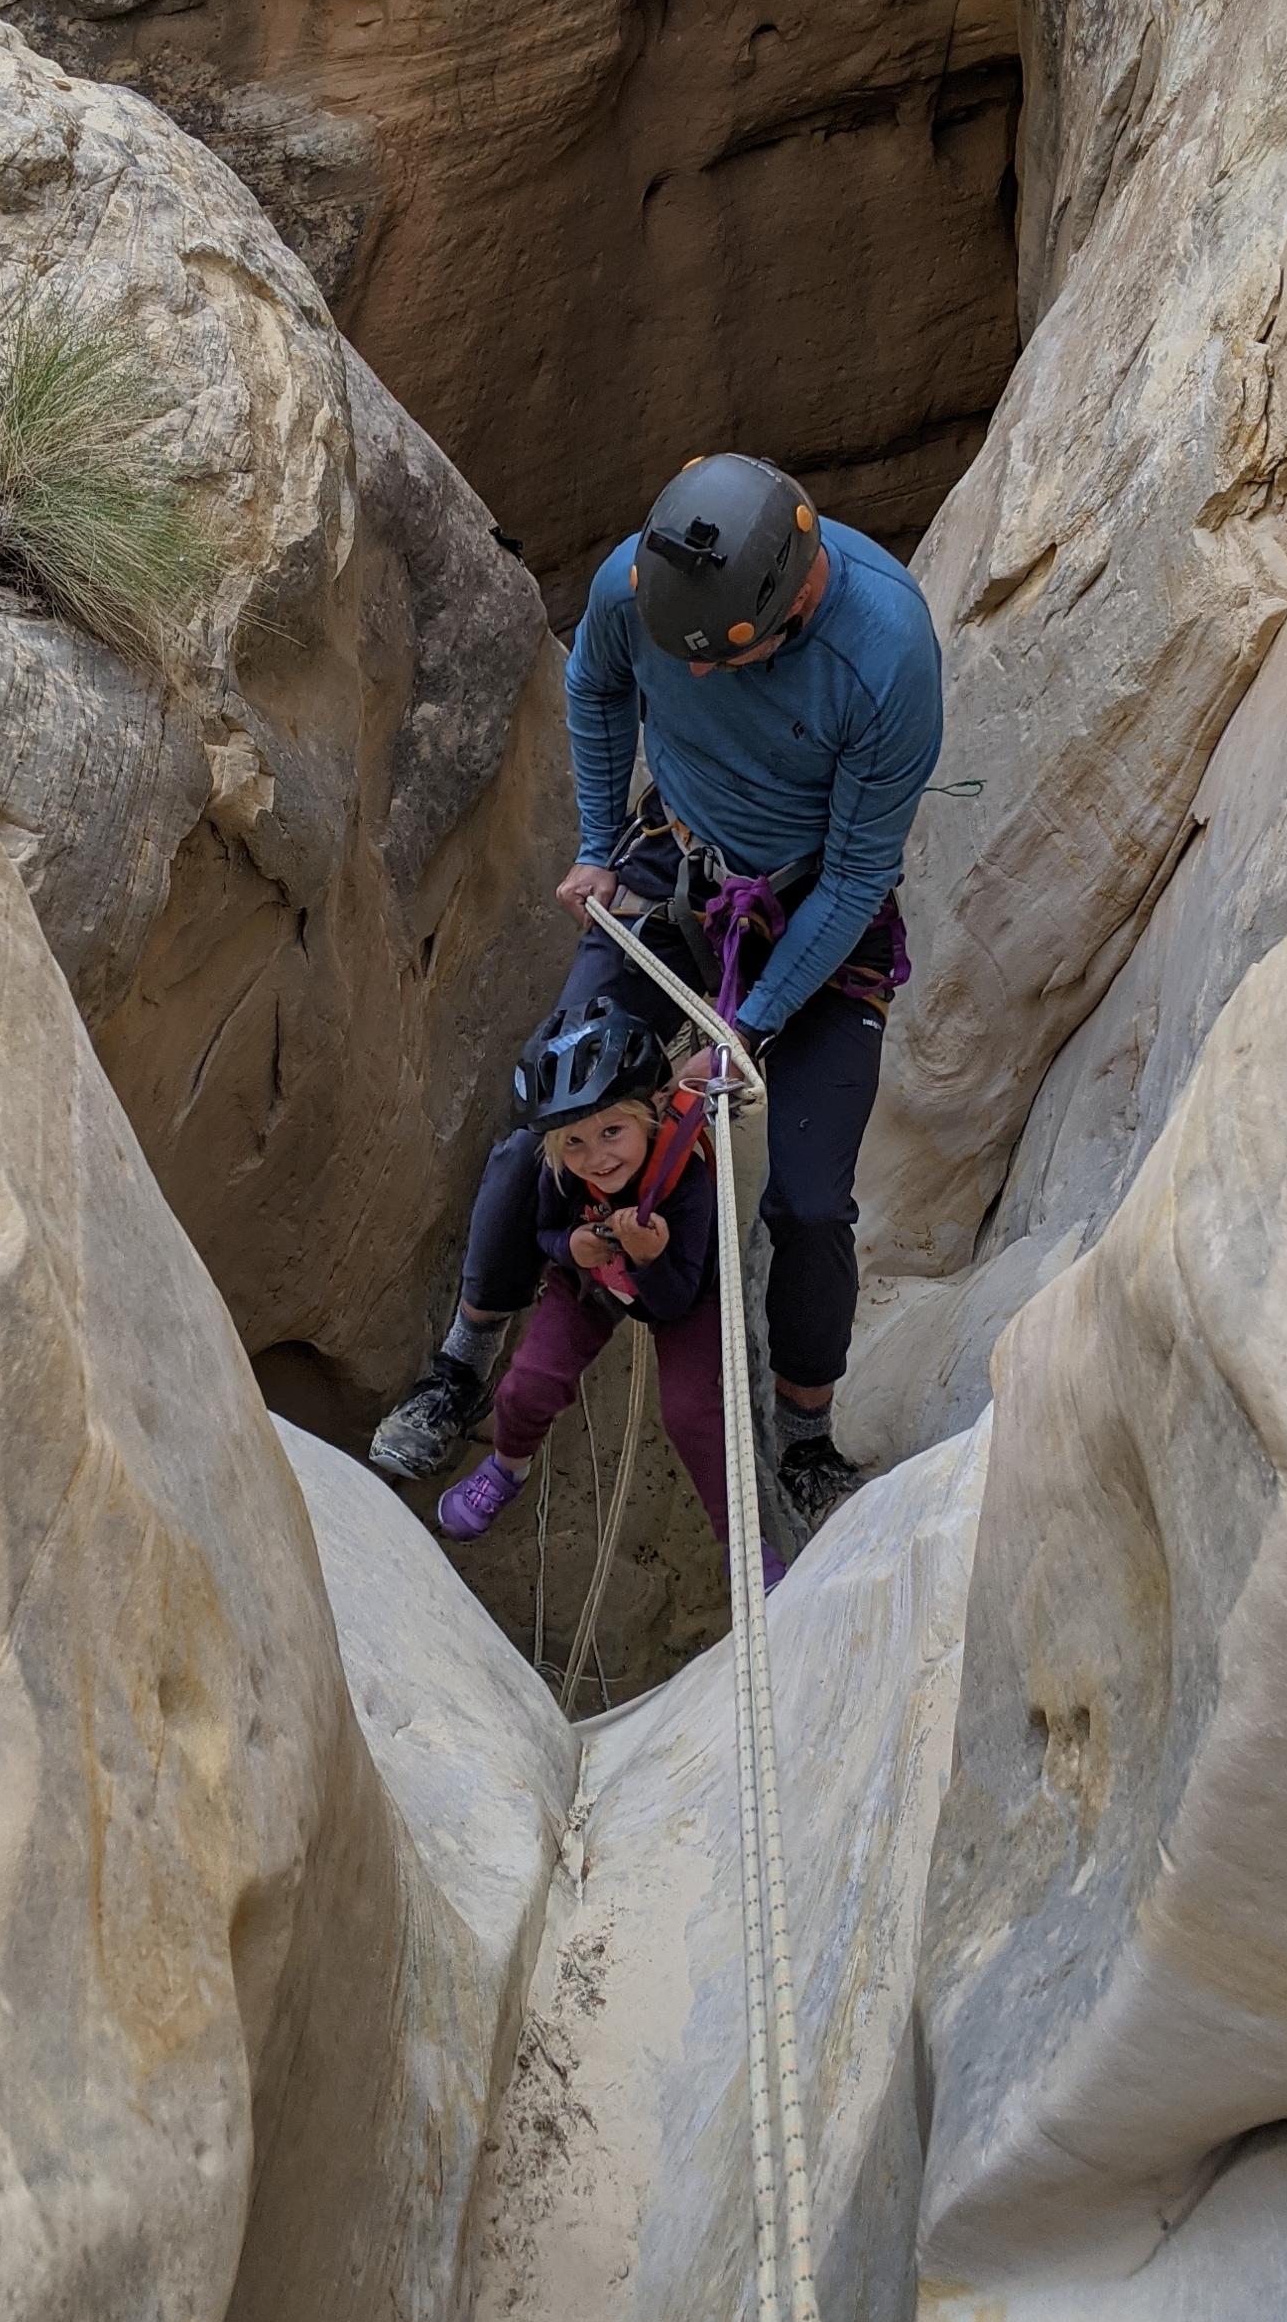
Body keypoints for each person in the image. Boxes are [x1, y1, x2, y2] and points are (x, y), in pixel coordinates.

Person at [371, 449, 944, 1529]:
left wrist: (753, 1023)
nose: (699, 677)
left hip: (820, 915)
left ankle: (805, 1434)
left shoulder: (886, 655)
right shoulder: (641, 584)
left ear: (795, 601)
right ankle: (462, 1364)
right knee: (541, 1116)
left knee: (809, 1202)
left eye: (723, 659)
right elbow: (595, 686)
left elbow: (860, 872)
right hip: (675, 870)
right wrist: (598, 843)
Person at [432, 1007, 782, 1588]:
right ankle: (507, 1467)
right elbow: (544, 1232)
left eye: (612, 1132)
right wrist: (571, 1247)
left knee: (692, 1413)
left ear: (650, 1115)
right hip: (591, 1281)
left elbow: (672, 1302)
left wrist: (646, 1257)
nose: (596, 1158)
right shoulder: (563, 1173)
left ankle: (743, 1542)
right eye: (574, 1141)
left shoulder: (686, 1185)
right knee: (526, 1384)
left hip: (683, 1290)